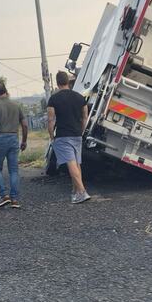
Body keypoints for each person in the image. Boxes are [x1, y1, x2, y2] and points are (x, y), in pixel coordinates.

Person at [47, 71, 90, 204]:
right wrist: (81, 131)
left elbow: (51, 120)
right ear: (68, 81)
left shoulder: (53, 99)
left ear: (57, 82)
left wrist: (51, 135)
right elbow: (84, 117)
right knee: (77, 164)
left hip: (63, 135)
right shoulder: (80, 97)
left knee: (71, 164)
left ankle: (82, 192)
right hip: (77, 134)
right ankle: (76, 192)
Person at [0, 83, 28, 209]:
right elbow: (25, 125)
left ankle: (4, 196)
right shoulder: (16, 105)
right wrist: (24, 141)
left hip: (0, 139)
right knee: (14, 170)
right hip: (14, 138)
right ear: (6, 92)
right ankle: (14, 199)